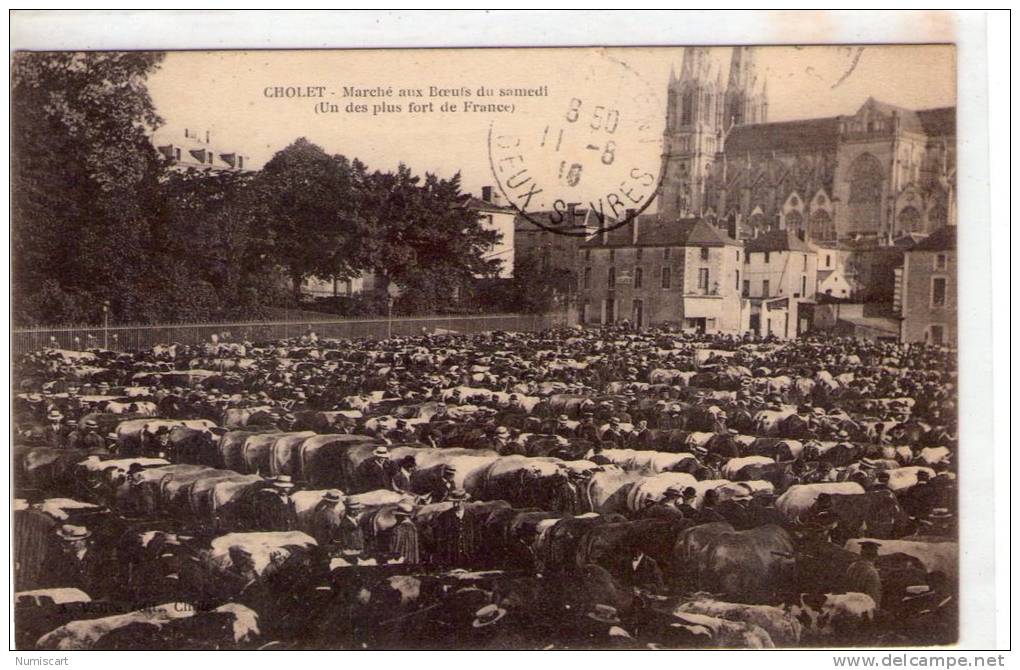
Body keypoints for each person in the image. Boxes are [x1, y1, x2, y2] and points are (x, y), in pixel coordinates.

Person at [433, 490, 477, 567]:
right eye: (454, 502)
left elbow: (474, 533)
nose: (456, 504)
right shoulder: (445, 515)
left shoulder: (470, 516)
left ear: (464, 501)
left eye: (459, 502)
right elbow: (441, 534)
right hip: (452, 552)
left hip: (467, 551)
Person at [846, 540, 884, 608]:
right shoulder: (871, 572)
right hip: (863, 607)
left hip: (849, 604)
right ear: (875, 556)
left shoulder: (851, 567)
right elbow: (874, 597)